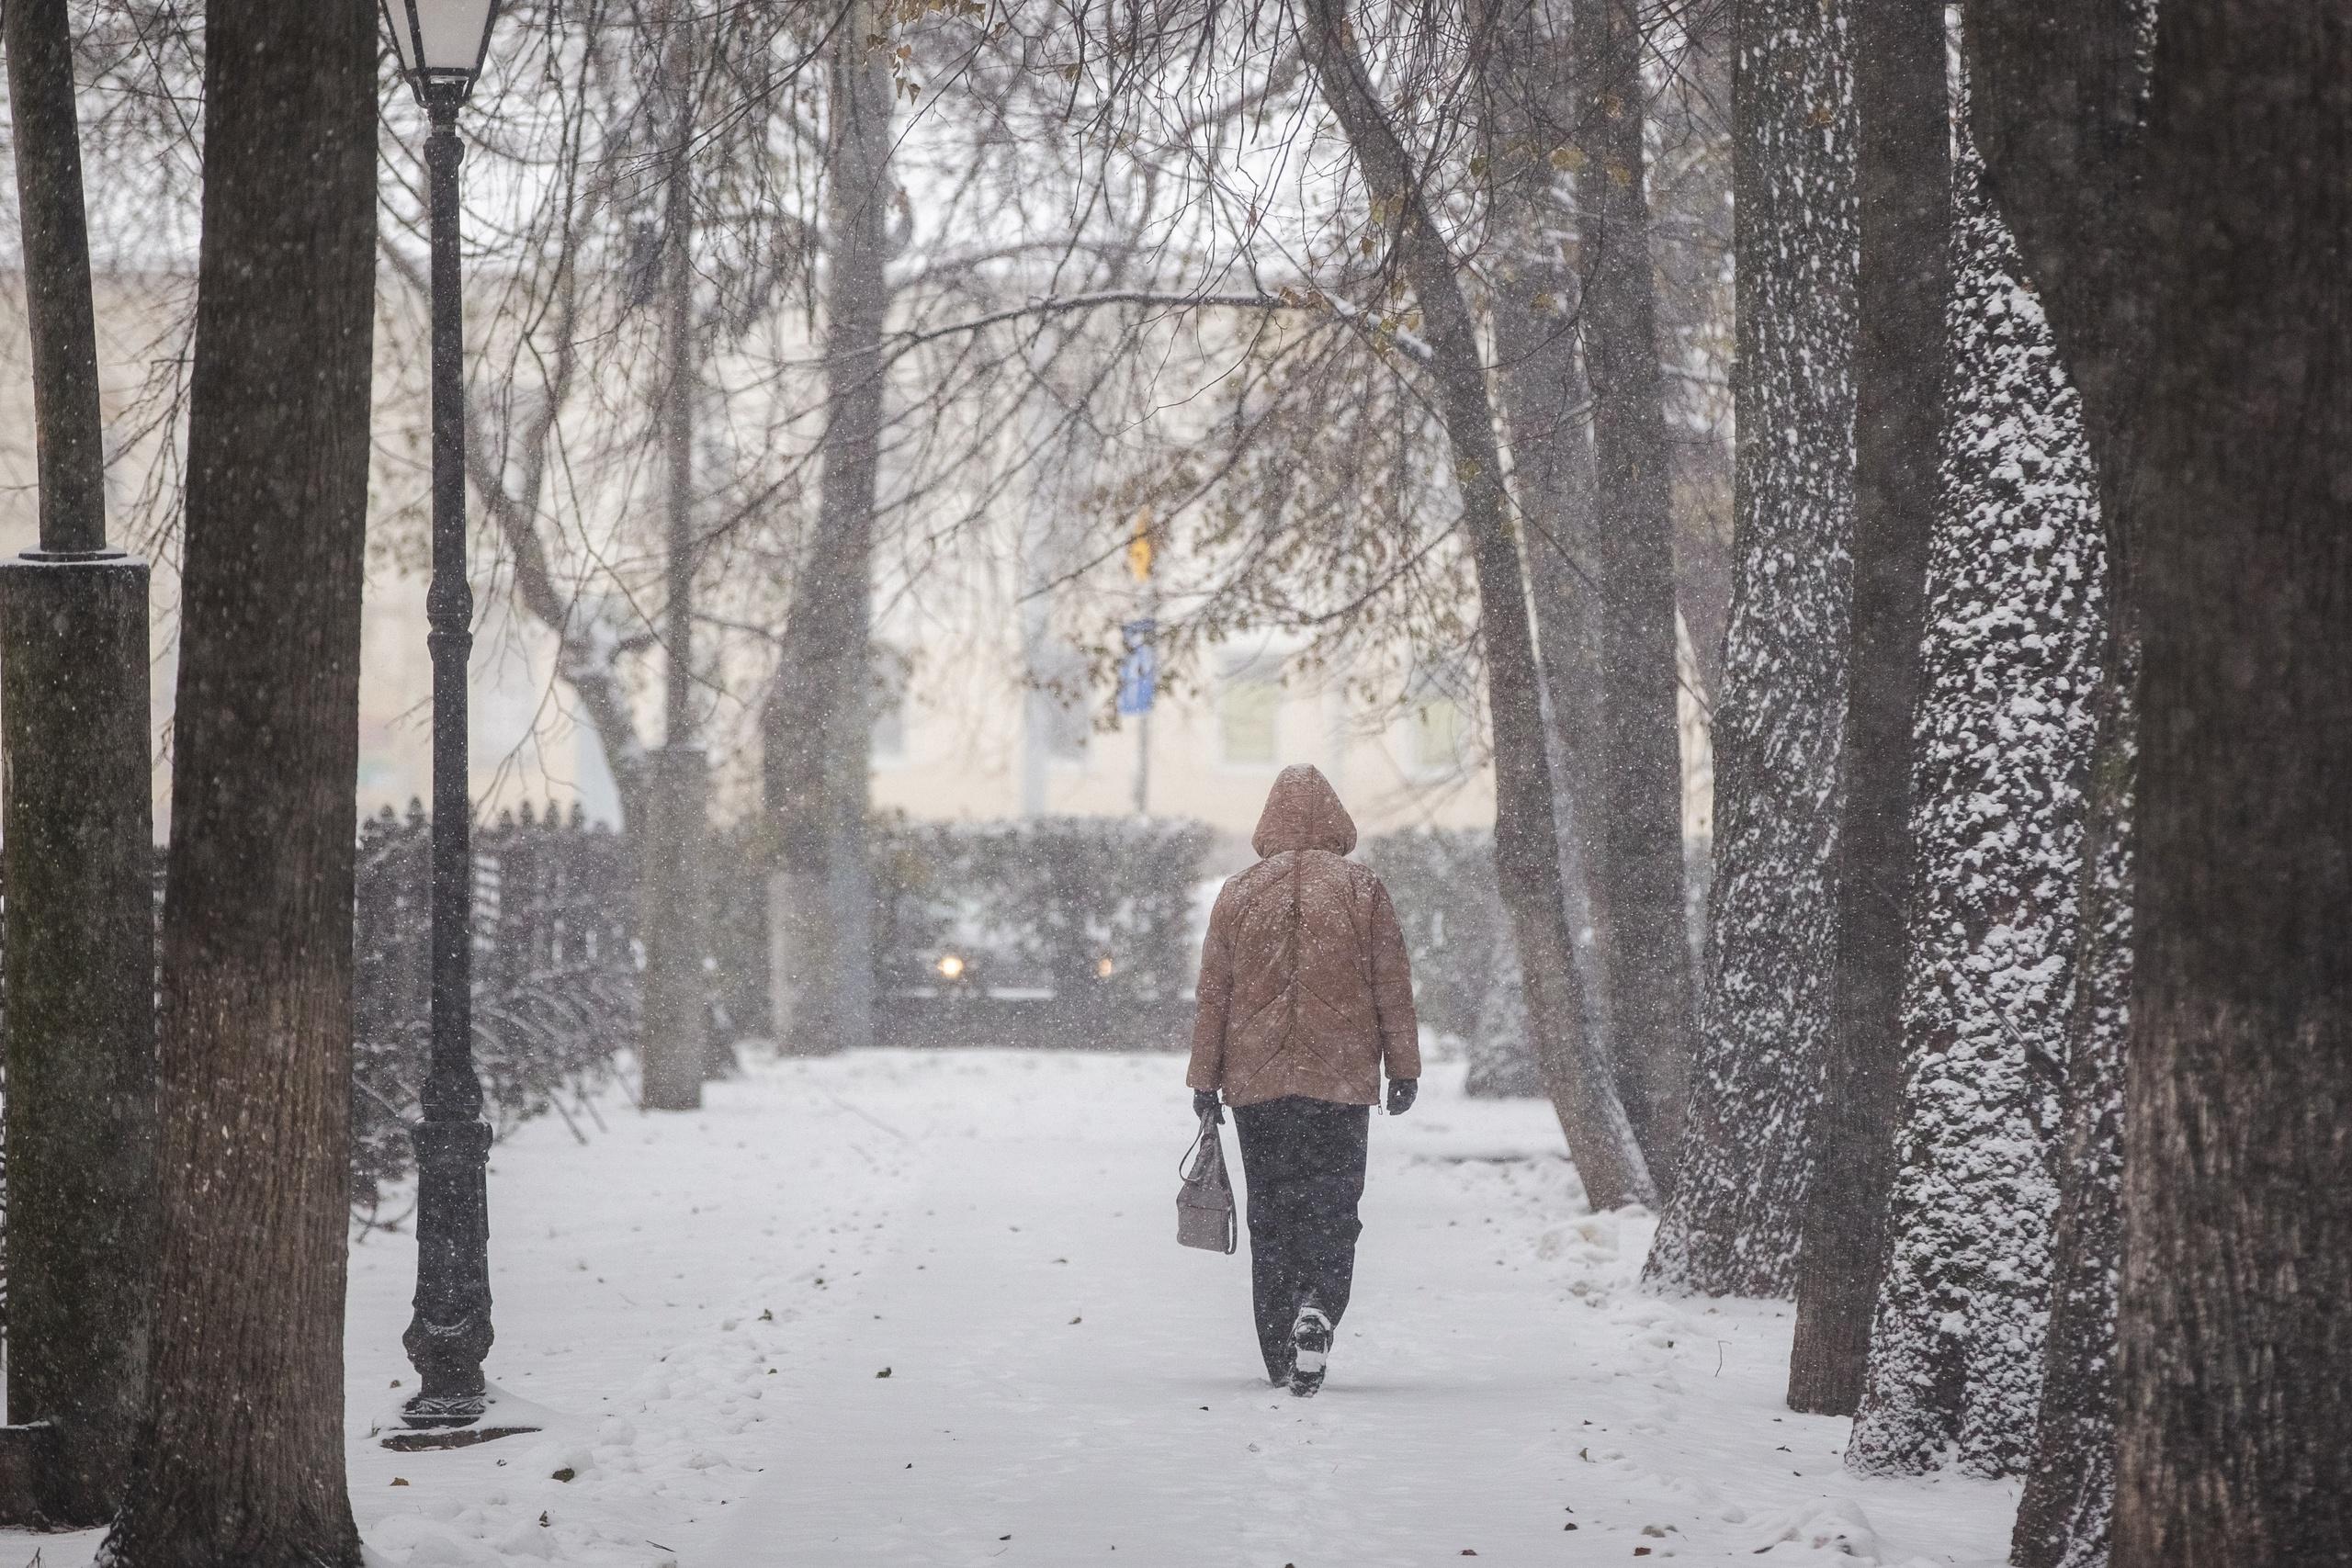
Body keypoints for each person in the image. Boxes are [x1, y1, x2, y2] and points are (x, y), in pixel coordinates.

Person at [1185, 763, 1419, 1396]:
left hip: (1258, 1088)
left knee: (1272, 1213)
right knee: (1334, 1207)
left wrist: (1204, 1080)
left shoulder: (1237, 892)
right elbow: (1391, 985)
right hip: (1338, 1085)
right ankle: (1318, 1304)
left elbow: (1215, 996)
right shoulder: (1362, 889)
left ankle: (1279, 1346)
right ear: (1335, 820)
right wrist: (1403, 1068)